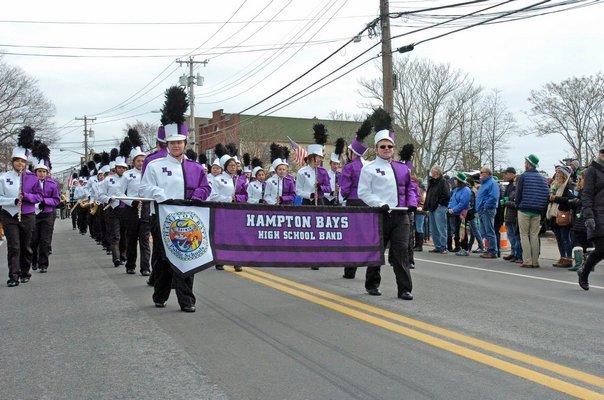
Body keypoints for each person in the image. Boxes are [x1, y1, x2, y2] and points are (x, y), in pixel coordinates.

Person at [140, 99, 211, 312]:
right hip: (161, 218)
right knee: (163, 259)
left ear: (185, 144)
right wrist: (161, 195)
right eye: (172, 143)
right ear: (167, 145)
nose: (176, 146)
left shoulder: (196, 167)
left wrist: (198, 195)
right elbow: (144, 189)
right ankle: (160, 295)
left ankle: (186, 300)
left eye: (180, 142)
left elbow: (205, 188)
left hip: (188, 219)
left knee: (187, 258)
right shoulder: (154, 165)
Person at [358, 127, 418, 300]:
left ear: (394, 149)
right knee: (377, 251)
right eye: (383, 146)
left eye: (389, 147)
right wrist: (379, 204)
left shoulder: (403, 169)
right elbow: (363, 192)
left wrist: (412, 204)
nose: (386, 149)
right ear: (376, 149)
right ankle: (372, 284)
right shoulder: (368, 169)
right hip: (380, 215)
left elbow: (410, 189)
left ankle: (404, 289)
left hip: (400, 216)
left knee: (401, 252)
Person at [0, 127, 43, 287]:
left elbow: (39, 196)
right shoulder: (3, 178)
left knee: (26, 246)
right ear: (12, 162)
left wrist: (27, 197)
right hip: (9, 215)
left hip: (27, 215)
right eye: (17, 161)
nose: (20, 164)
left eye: (23, 161)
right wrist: (13, 201)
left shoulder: (32, 178)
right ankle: (13, 275)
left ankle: (25, 271)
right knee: (14, 246)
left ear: (26, 163)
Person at [339, 118, 372, 278]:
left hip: (352, 202)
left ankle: (350, 270)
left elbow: (344, 188)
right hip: (367, 204)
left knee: (351, 237)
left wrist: (343, 196)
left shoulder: (349, 167)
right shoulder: (369, 166)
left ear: (353, 153)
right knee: (365, 235)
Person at [209, 143, 248, 272]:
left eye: (235, 165)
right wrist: (228, 199)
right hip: (222, 211)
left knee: (237, 236)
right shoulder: (218, 180)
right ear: (225, 167)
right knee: (222, 236)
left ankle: (237, 261)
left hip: (237, 212)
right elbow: (213, 196)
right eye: (231, 165)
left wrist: (237, 198)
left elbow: (245, 195)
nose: (233, 167)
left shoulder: (240, 180)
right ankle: (220, 260)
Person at [515, 154, 550, 268]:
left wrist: (518, 205)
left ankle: (527, 260)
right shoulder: (543, 178)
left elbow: (518, 193)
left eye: (525, 162)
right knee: (534, 236)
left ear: (528, 164)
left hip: (524, 209)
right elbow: (546, 194)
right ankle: (535, 261)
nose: (524, 164)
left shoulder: (523, 176)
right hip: (537, 210)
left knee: (524, 235)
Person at [30, 146, 60, 274]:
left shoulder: (53, 184)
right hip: (33, 214)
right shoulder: (29, 182)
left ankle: (43, 264)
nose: (41, 173)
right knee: (33, 239)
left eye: (44, 171)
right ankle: (34, 260)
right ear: (35, 171)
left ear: (47, 173)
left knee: (45, 240)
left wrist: (44, 201)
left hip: (47, 214)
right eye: (39, 171)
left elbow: (56, 200)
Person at [578, 144, 604, 290]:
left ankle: (584, 271)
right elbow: (587, 194)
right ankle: (584, 273)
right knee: (601, 249)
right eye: (603, 152)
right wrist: (588, 215)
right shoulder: (592, 170)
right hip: (597, 213)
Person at [123, 140, 151, 276]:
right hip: (131, 209)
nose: (141, 163)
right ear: (134, 161)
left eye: (143, 160)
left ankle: (145, 267)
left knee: (145, 240)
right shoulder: (127, 175)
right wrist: (132, 202)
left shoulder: (150, 173)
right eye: (138, 160)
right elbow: (120, 194)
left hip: (146, 208)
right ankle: (130, 265)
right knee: (132, 239)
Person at [546, 165, 575, 268]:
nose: (556, 175)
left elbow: (570, 200)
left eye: (559, 173)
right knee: (558, 238)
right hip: (554, 214)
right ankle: (562, 257)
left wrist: (556, 198)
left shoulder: (568, 186)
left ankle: (568, 258)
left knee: (565, 238)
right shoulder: (554, 185)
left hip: (563, 214)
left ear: (563, 175)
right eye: (556, 173)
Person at [569, 173, 592, 271]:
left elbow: (582, 202)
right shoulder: (594, 191)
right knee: (588, 243)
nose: (578, 181)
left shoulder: (584, 191)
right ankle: (590, 265)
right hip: (590, 220)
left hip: (581, 219)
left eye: (580, 179)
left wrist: (575, 201)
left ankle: (578, 264)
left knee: (577, 241)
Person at [475, 166, 500, 259]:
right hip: (482, 210)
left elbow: (493, 197)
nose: (480, 174)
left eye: (482, 172)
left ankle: (493, 251)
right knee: (485, 231)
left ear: (488, 174)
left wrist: (485, 207)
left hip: (487, 210)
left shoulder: (492, 183)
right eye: (480, 172)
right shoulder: (484, 184)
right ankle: (489, 249)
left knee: (489, 231)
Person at [424, 165, 450, 253]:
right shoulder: (432, 182)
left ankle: (443, 246)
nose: (431, 173)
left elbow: (446, 194)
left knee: (441, 227)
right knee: (434, 228)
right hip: (432, 207)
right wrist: (427, 206)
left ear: (436, 172)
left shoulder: (443, 181)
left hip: (439, 207)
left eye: (433, 172)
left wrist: (440, 204)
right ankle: (438, 246)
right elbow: (429, 195)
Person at [501, 168, 522, 263]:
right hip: (508, 214)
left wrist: (507, 202)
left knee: (516, 236)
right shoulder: (509, 186)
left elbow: (516, 203)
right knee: (511, 236)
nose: (505, 175)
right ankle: (513, 253)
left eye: (507, 173)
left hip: (514, 215)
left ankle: (518, 254)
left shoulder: (517, 189)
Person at [447, 173, 471, 256]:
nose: (454, 181)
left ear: (460, 181)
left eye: (456, 179)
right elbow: (451, 200)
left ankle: (465, 249)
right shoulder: (456, 189)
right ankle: (460, 247)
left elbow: (463, 203)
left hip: (462, 213)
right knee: (457, 231)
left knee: (462, 231)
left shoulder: (466, 190)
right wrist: (450, 207)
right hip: (455, 213)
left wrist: (453, 209)